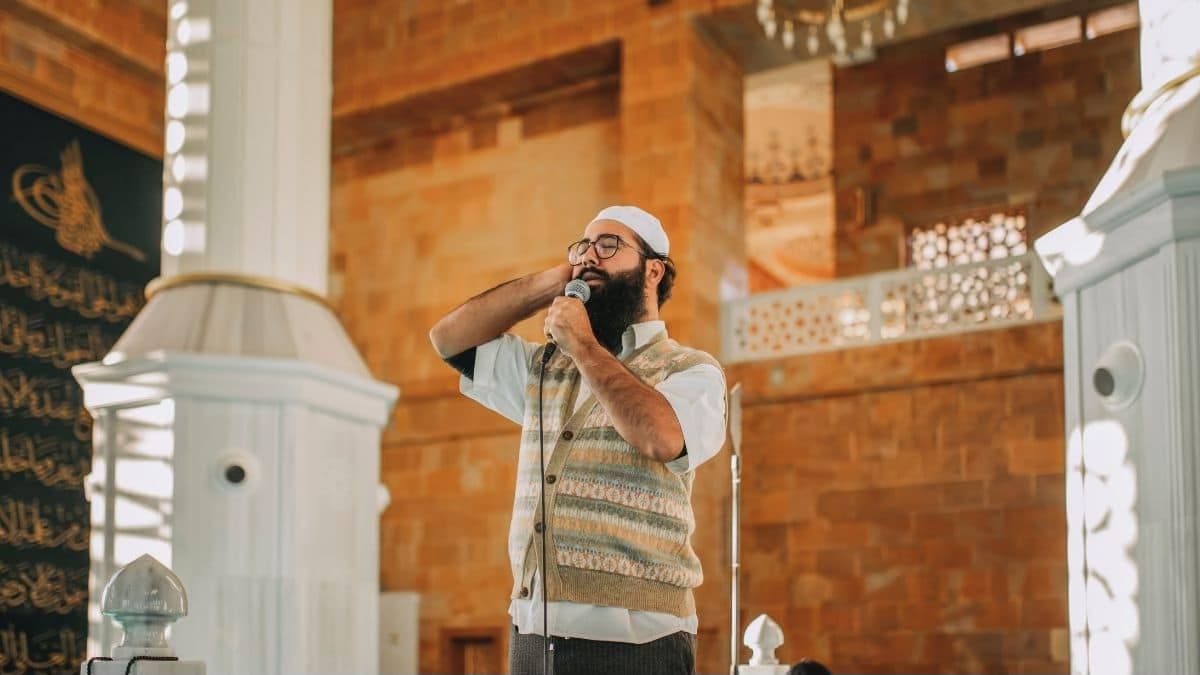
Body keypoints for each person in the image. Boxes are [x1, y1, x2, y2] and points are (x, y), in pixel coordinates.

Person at [429, 205, 727, 675]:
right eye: (583, 247)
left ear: (653, 270)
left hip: (638, 641)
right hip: (532, 633)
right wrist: (558, 280)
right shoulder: (547, 368)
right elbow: (449, 339)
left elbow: (661, 437)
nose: (590, 255)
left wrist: (583, 345)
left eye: (609, 245)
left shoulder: (691, 370)